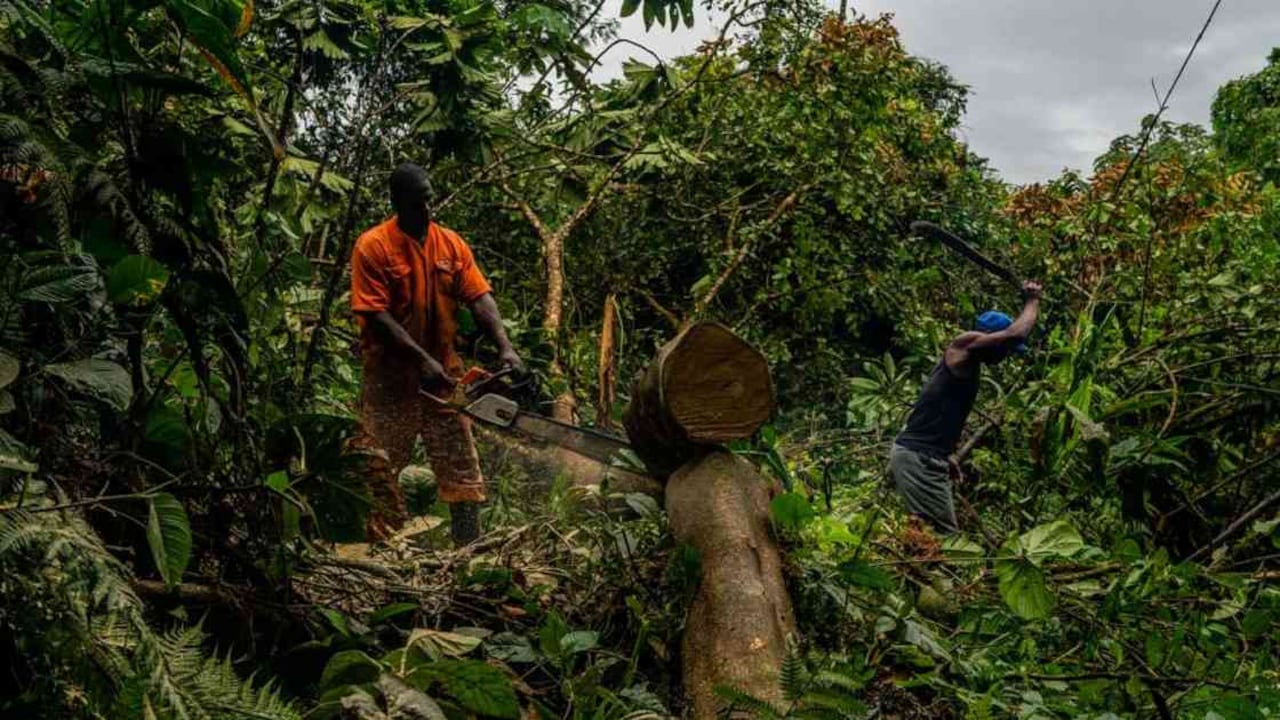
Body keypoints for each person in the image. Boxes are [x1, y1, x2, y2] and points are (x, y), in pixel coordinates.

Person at [348, 163, 523, 544]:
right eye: (416, 204)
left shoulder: (450, 244)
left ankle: (467, 550)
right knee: (379, 467)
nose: (426, 211)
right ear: (397, 203)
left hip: (444, 373)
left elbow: (479, 296)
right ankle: (372, 549)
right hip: (390, 379)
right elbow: (375, 313)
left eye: (429, 201)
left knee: (461, 467)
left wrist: (505, 347)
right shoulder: (373, 246)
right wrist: (419, 360)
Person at [889, 280, 1043, 534]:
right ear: (991, 340)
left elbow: (942, 414)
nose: (1005, 355)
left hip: (927, 456)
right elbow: (1016, 333)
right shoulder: (964, 346)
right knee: (947, 538)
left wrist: (946, 454)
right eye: (1004, 348)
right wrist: (1032, 300)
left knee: (925, 532)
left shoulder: (970, 366)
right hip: (918, 458)